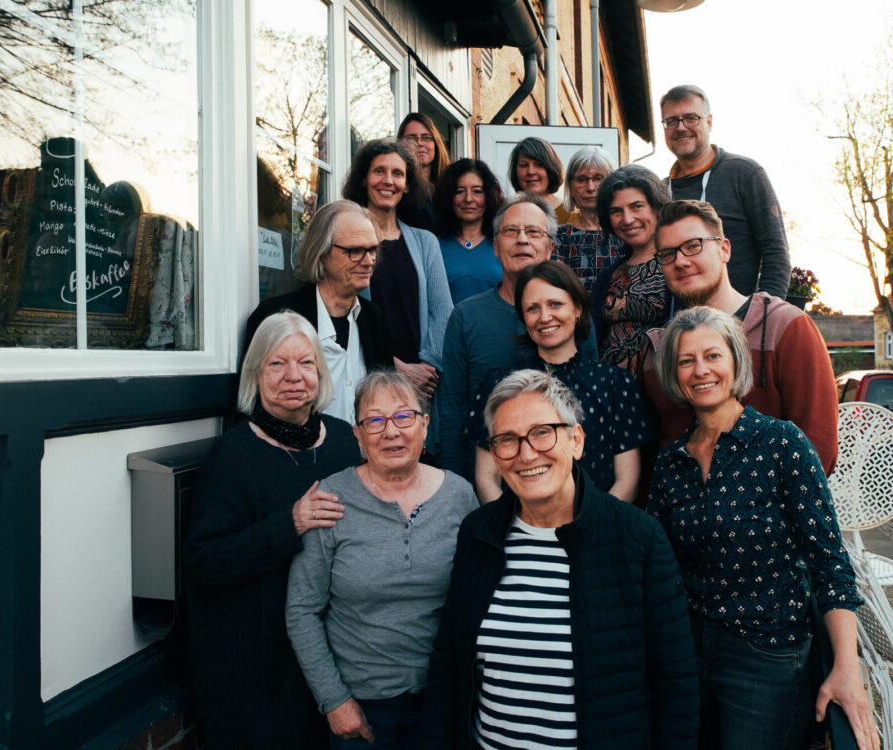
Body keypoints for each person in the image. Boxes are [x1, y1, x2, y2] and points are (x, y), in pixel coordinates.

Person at [421, 369, 699, 750]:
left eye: (542, 432)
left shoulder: (638, 539)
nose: (526, 454)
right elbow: (448, 666)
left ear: (576, 440)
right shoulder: (478, 534)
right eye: (507, 440)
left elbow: (676, 687)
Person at [648, 306, 877, 750]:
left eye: (712, 355)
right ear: (673, 375)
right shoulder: (670, 463)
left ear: (735, 361)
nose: (701, 370)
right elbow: (660, 570)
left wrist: (846, 667)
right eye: (685, 360)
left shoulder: (782, 444)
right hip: (689, 654)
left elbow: (829, 563)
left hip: (767, 657)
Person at [184, 311, 362, 749]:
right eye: (276, 364)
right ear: (255, 374)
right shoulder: (233, 456)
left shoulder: (344, 441)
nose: (293, 377)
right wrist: (291, 523)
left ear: (320, 372)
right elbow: (203, 562)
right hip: (259, 665)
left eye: (305, 363)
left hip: (338, 653)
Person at [286, 370, 477, 749]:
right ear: (357, 435)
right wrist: (334, 700)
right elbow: (302, 609)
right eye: (374, 420)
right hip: (361, 705)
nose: (391, 431)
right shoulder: (331, 498)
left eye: (403, 417)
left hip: (442, 698)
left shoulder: (459, 495)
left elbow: (476, 598)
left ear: (425, 426)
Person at [639, 199, 838, 473]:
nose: (681, 261)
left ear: (724, 249)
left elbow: (818, 446)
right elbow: (661, 452)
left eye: (693, 246)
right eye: (668, 254)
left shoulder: (786, 328)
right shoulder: (659, 351)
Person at [438, 192, 597, 481]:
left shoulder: (571, 313)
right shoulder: (466, 317)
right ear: (496, 247)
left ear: (550, 248)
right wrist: (456, 486)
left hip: (565, 479)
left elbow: (590, 399)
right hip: (490, 481)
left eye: (533, 232)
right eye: (511, 231)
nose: (522, 239)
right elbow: (453, 410)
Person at [472, 261, 651, 503]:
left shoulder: (615, 384)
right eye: (532, 308)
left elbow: (628, 479)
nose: (545, 317)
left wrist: (593, 531)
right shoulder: (499, 384)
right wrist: (514, 533)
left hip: (599, 531)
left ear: (578, 309)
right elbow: (486, 477)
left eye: (555, 304)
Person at [246, 200, 392, 424]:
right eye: (355, 251)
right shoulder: (276, 318)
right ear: (322, 252)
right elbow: (253, 408)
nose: (368, 261)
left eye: (372, 250)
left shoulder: (374, 319)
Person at [341, 138, 453, 402]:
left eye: (398, 173)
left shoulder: (426, 243)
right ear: (363, 179)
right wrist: (394, 368)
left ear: (407, 185)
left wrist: (424, 370)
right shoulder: (345, 242)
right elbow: (339, 312)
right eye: (379, 171)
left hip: (420, 386)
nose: (388, 180)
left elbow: (443, 314)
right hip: (362, 380)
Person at [660, 84, 790, 297]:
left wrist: (762, 316)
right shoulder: (661, 190)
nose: (681, 127)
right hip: (679, 324)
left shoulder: (744, 174)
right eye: (671, 121)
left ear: (709, 122)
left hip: (738, 323)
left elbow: (776, 253)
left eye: (691, 118)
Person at [592, 164, 672, 375]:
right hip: (611, 393)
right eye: (616, 211)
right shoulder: (608, 276)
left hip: (663, 392)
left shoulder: (679, 265)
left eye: (637, 206)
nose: (627, 219)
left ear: (657, 207)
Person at [553, 145, 625, 291]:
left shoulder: (624, 229)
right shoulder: (559, 235)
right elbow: (558, 285)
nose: (590, 187)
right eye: (581, 179)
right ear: (571, 188)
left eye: (598, 178)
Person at [433, 158, 504, 304]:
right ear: (449, 197)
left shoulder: (503, 243)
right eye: (459, 191)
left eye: (477, 191)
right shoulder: (434, 246)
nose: (468, 199)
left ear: (489, 196)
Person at [397, 113, 451, 231]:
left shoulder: (450, 186)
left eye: (426, 138)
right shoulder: (397, 188)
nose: (420, 143)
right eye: (411, 138)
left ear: (435, 144)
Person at [507, 136, 570, 225]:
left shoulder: (571, 215)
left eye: (539, 165)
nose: (530, 172)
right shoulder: (507, 213)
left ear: (551, 168)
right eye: (523, 165)